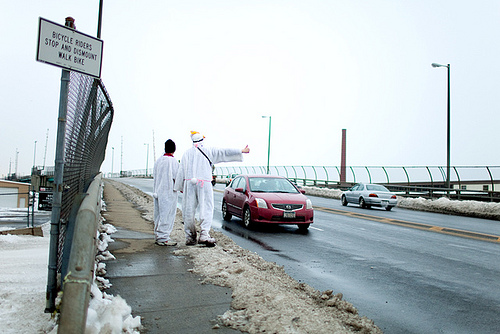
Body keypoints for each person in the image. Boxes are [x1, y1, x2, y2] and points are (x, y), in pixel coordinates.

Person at [174, 131, 250, 246]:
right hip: (204, 183)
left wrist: (180, 186)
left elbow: (181, 170)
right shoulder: (209, 151)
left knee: (188, 210)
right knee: (206, 209)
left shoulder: (186, 154)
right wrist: (241, 151)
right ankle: (204, 234)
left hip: (189, 183)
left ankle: (190, 237)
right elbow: (224, 152)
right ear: (202, 141)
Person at [153, 139, 179, 246]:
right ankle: (163, 237)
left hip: (158, 190)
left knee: (158, 214)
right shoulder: (173, 162)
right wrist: (181, 188)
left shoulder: (158, 161)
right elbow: (177, 177)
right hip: (168, 192)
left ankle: (158, 234)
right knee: (167, 214)